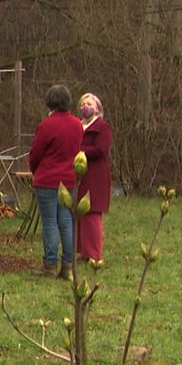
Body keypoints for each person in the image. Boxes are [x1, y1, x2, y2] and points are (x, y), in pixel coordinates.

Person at [28, 84, 83, 279]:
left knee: (50, 222)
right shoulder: (78, 124)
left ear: (50, 102)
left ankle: (50, 265)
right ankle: (68, 267)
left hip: (48, 180)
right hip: (69, 179)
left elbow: (35, 153)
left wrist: (35, 170)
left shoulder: (46, 125)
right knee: (66, 222)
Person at [75, 92, 112, 262]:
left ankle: (94, 254)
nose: (85, 107)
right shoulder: (78, 125)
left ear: (97, 108)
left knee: (92, 213)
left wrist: (81, 151)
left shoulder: (103, 127)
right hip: (79, 174)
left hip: (95, 175)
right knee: (80, 213)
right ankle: (83, 251)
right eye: (82, 104)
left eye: (89, 103)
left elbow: (101, 149)